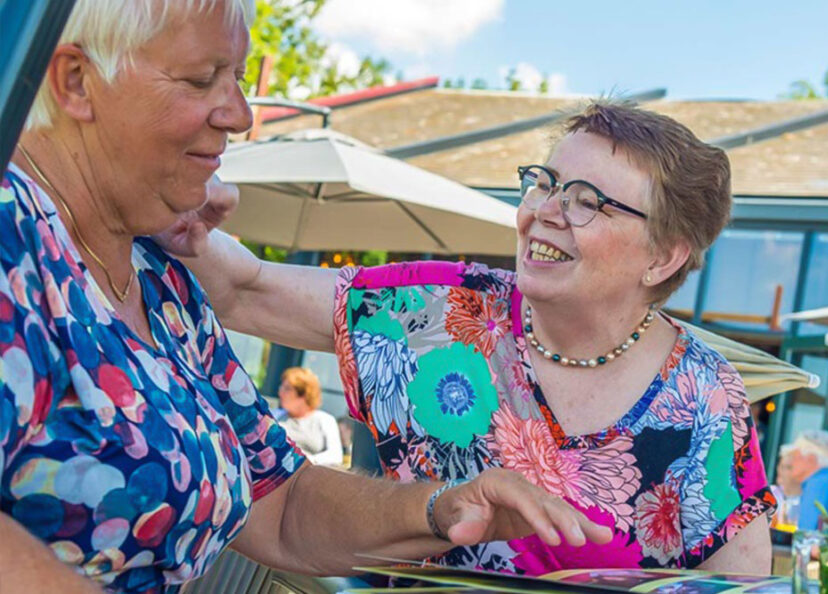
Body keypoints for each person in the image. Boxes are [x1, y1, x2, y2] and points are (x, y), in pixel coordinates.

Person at [0, 1, 610, 591]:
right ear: (77, 82)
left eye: (237, 78)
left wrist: (440, 509)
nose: (240, 115)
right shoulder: (14, 239)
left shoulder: (160, 278)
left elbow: (281, 503)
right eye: (200, 79)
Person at [179, 100, 776, 574]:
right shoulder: (445, 309)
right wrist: (177, 205)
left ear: (664, 257)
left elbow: (741, 581)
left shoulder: (705, 398)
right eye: (544, 183)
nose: (544, 209)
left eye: (587, 201)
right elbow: (242, 289)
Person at [785, 430, 828, 530]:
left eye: (795, 457)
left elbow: (805, 532)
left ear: (811, 459)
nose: (791, 462)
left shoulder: (818, 483)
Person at [277, 367, 343, 466]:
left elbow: (335, 456)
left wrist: (305, 461)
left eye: (287, 389)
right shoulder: (275, 418)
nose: (280, 393)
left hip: (312, 474)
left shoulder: (325, 420)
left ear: (304, 394)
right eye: (281, 388)